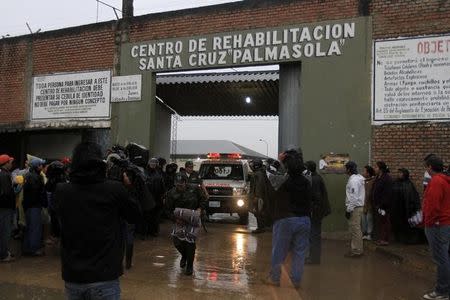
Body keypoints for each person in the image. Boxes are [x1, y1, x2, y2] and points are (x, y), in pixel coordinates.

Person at [54, 142, 140, 299]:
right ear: (100, 163)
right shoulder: (115, 190)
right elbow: (135, 216)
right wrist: (128, 187)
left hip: (73, 276)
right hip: (104, 277)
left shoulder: (61, 191)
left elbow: (57, 225)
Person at [265, 148, 312, 288]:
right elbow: (305, 170)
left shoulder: (281, 180)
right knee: (299, 253)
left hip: (285, 219)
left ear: (286, 166)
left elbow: (269, 172)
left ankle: (275, 278)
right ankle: (296, 281)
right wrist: (296, 158)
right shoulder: (307, 179)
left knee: (279, 251)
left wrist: (280, 160)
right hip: (304, 220)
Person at [165, 173, 206, 276]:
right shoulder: (171, 193)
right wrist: (175, 219)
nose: (179, 187)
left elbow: (204, 199)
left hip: (192, 218)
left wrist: (200, 209)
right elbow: (167, 210)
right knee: (177, 241)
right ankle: (184, 255)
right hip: (179, 219)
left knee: (190, 242)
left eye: (181, 185)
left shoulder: (195, 189)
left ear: (186, 183)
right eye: (177, 185)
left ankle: (190, 266)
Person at [421, 155, 450, 300]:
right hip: (443, 223)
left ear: (430, 167)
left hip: (437, 225)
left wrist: (428, 222)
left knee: (440, 258)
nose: (425, 169)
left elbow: (433, 206)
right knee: (443, 256)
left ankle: (442, 291)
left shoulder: (437, 181)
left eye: (426, 167)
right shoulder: (444, 180)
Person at [305, 160, 330, 264]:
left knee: (314, 235)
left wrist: (312, 208)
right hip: (317, 210)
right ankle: (313, 257)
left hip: (315, 211)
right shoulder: (317, 177)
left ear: (309, 169)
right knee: (314, 234)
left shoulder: (314, 179)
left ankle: (314, 259)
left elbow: (316, 197)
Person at [391, 168, 423, 244]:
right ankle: (399, 238)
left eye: (401, 173)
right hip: (396, 208)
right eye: (398, 172)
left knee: (407, 225)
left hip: (406, 208)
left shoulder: (409, 184)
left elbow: (413, 196)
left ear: (405, 174)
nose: (399, 174)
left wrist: (414, 207)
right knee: (397, 224)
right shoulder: (395, 182)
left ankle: (407, 240)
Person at [22, 158, 46, 256]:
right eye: (41, 165)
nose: (42, 167)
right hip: (34, 206)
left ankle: (27, 248)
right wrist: (42, 202)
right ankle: (33, 249)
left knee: (29, 227)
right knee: (35, 228)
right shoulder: (35, 177)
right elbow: (37, 193)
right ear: (37, 166)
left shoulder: (28, 175)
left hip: (28, 205)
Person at [344, 161, 365, 258]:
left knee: (355, 230)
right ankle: (356, 249)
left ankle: (357, 251)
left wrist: (348, 210)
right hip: (357, 207)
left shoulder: (353, 181)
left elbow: (354, 197)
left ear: (348, 169)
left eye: (346, 168)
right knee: (355, 229)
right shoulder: (358, 178)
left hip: (355, 208)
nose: (345, 170)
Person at [45, 161, 67, 244]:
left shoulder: (54, 179)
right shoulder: (63, 178)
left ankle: (56, 237)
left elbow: (48, 188)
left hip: (56, 202)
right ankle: (57, 237)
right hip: (59, 202)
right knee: (57, 220)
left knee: (56, 220)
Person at [373, 161, 393, 246]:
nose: (375, 169)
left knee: (385, 222)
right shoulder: (378, 177)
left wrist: (382, 204)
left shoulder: (387, 178)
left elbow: (388, 193)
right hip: (378, 204)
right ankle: (381, 238)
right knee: (380, 221)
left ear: (380, 169)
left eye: (376, 167)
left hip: (384, 205)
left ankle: (385, 239)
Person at [0, 154, 16, 263]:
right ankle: (3, 255)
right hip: (5, 206)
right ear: (5, 164)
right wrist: (15, 188)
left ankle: (3, 251)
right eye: (10, 162)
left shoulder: (2, 173)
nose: (11, 164)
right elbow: (7, 192)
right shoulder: (5, 175)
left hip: (2, 206)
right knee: (5, 231)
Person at [146, 158, 165, 237]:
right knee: (148, 216)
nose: (153, 164)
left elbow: (162, 188)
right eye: (152, 163)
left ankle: (154, 231)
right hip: (148, 199)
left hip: (156, 199)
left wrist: (162, 196)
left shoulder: (159, 174)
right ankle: (148, 231)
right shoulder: (145, 173)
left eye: (154, 163)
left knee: (155, 217)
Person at [249, 158, 269, 234]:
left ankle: (261, 228)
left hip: (258, 197)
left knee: (258, 211)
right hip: (259, 196)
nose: (251, 165)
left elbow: (259, 186)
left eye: (253, 164)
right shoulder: (260, 173)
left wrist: (257, 197)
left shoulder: (258, 174)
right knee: (258, 211)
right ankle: (261, 227)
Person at [362, 165, 376, 241]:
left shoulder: (373, 181)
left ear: (368, 173)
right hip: (363, 204)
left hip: (370, 204)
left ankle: (369, 234)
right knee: (363, 219)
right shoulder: (363, 181)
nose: (363, 172)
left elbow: (371, 194)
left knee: (369, 219)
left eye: (365, 171)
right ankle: (364, 233)